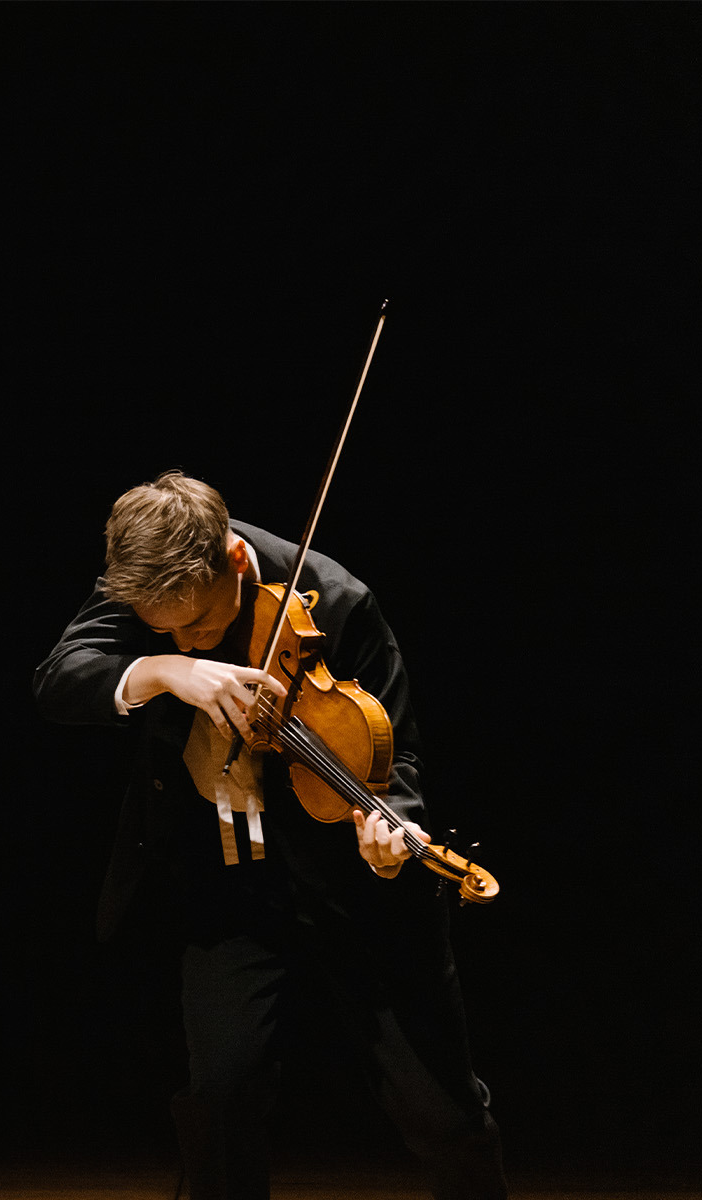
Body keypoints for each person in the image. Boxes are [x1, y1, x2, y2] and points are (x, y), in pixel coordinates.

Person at [32, 471, 505, 1200]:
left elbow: (397, 750)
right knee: (219, 1098)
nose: (187, 636)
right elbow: (61, 678)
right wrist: (165, 668)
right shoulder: (151, 580)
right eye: (165, 629)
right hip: (228, 884)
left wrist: (391, 829)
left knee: (440, 1109)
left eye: (200, 624)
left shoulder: (337, 601)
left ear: (233, 559)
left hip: (355, 887)